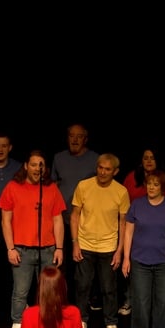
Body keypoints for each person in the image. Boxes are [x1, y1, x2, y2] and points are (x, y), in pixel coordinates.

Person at [0, 150, 66, 328]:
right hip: (21, 248)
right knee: (21, 290)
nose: (38, 168)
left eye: (41, 165)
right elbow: (5, 220)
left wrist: (59, 248)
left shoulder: (51, 188)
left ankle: (47, 324)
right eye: (34, 164)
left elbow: (57, 219)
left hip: (47, 248)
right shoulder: (13, 187)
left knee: (48, 290)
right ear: (26, 166)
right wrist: (10, 248)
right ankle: (18, 323)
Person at [121, 169, 165, 328]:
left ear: (163, 187)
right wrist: (126, 258)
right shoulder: (137, 205)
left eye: (156, 184)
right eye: (149, 184)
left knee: (163, 300)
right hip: (140, 260)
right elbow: (128, 232)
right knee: (140, 299)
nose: (152, 187)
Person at [70, 153, 130, 328]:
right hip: (85, 244)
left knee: (109, 288)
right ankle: (81, 320)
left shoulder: (121, 191)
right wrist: (75, 243)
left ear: (115, 171)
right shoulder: (84, 186)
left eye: (107, 169)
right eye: (100, 168)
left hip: (108, 246)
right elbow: (75, 215)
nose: (103, 172)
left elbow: (123, 223)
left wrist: (119, 250)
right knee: (82, 285)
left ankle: (111, 323)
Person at [52, 123, 100, 301]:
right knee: (62, 261)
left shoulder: (95, 159)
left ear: (85, 139)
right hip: (63, 219)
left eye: (79, 136)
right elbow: (54, 185)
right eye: (71, 135)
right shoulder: (58, 158)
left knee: (85, 264)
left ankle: (86, 300)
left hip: (87, 221)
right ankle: (62, 298)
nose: (75, 139)